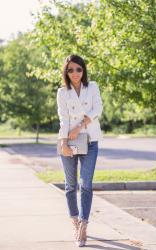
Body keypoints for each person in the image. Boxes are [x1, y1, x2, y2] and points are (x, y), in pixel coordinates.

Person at [57, 54, 103, 247]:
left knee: (86, 184)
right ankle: (74, 222)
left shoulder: (92, 87)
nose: (75, 73)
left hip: (89, 140)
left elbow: (98, 108)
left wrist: (80, 126)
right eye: (71, 70)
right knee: (70, 185)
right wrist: (63, 142)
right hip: (69, 141)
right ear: (66, 72)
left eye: (79, 69)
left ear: (83, 70)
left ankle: (84, 226)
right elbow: (63, 118)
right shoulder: (62, 92)